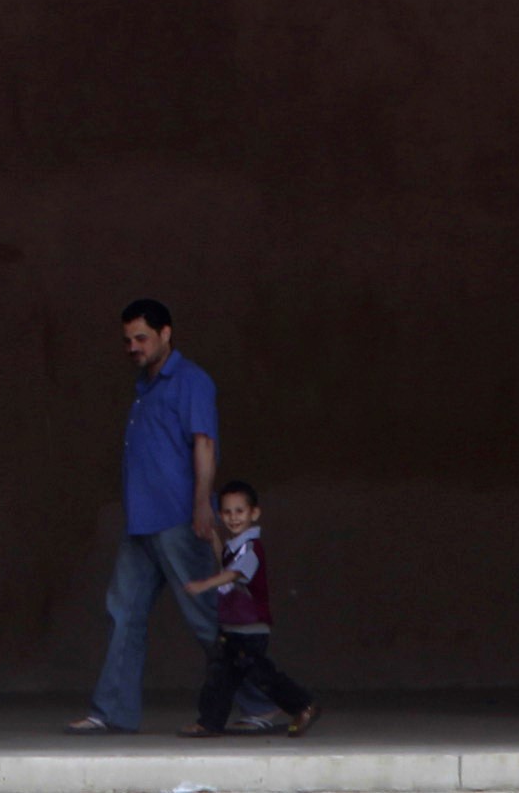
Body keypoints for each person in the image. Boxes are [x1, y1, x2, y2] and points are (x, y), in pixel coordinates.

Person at [68, 298, 218, 733]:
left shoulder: (191, 381)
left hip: (178, 518)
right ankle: (112, 711)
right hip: (141, 522)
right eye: (128, 340)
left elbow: (204, 445)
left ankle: (259, 703)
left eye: (141, 338)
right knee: (124, 612)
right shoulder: (145, 387)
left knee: (206, 617)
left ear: (166, 333)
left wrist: (202, 505)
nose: (133, 347)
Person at [181, 482, 316, 736]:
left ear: (254, 513)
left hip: (250, 629)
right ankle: (209, 723)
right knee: (221, 676)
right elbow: (226, 562)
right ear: (221, 515)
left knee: (262, 675)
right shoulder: (236, 547)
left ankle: (303, 704)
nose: (233, 517)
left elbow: (233, 573)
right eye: (228, 512)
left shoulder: (252, 549)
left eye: (240, 511)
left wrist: (205, 584)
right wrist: (214, 539)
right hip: (233, 628)